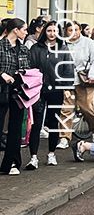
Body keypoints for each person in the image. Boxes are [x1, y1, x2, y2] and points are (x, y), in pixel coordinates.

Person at [26, 21, 72, 168]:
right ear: (44, 32)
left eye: (55, 31)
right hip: (37, 89)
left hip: (56, 89)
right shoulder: (35, 48)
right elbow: (30, 67)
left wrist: (66, 88)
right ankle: (33, 157)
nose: (52, 34)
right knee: (36, 123)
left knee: (53, 122)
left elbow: (68, 70)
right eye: (49, 31)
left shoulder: (63, 49)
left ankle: (51, 153)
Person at [64, 20, 94, 140]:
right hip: (67, 80)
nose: (74, 33)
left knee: (87, 107)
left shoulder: (88, 42)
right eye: (70, 30)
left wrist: (92, 75)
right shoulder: (62, 44)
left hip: (84, 80)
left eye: (76, 30)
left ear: (80, 30)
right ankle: (64, 137)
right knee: (65, 109)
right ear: (66, 31)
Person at [0, 18, 30, 175]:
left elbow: (27, 68)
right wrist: (2, 74)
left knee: (15, 129)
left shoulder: (23, 49)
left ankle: (11, 163)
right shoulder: (1, 46)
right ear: (15, 30)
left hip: (18, 92)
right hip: (1, 91)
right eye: (24, 29)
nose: (26, 32)